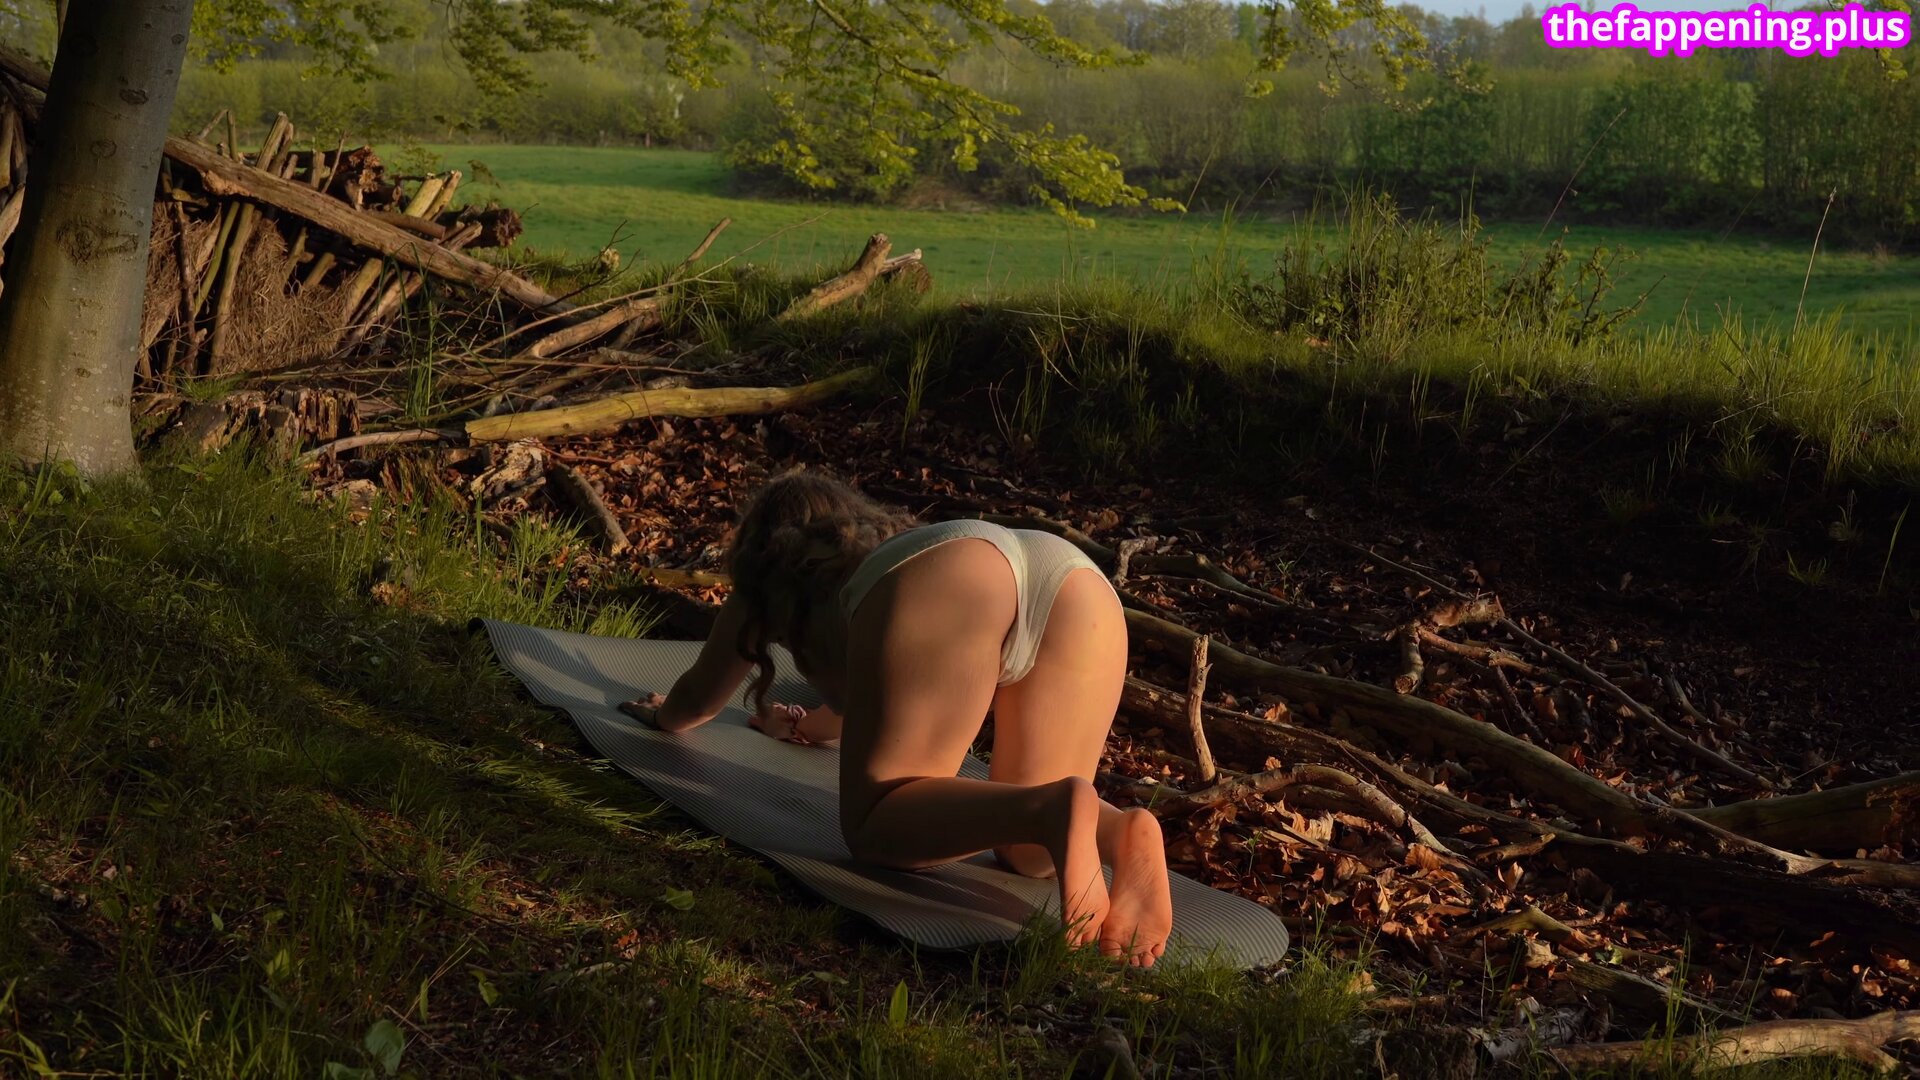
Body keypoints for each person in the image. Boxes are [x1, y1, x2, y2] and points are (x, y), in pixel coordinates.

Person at [618, 471, 1174, 966]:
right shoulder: (885, 560)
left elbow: (699, 697)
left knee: (875, 827)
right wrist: (802, 725)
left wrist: (664, 715)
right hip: (1076, 582)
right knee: (1029, 857)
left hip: (965, 578)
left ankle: (1057, 807)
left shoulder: (784, 581)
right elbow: (880, 705)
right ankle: (1120, 830)